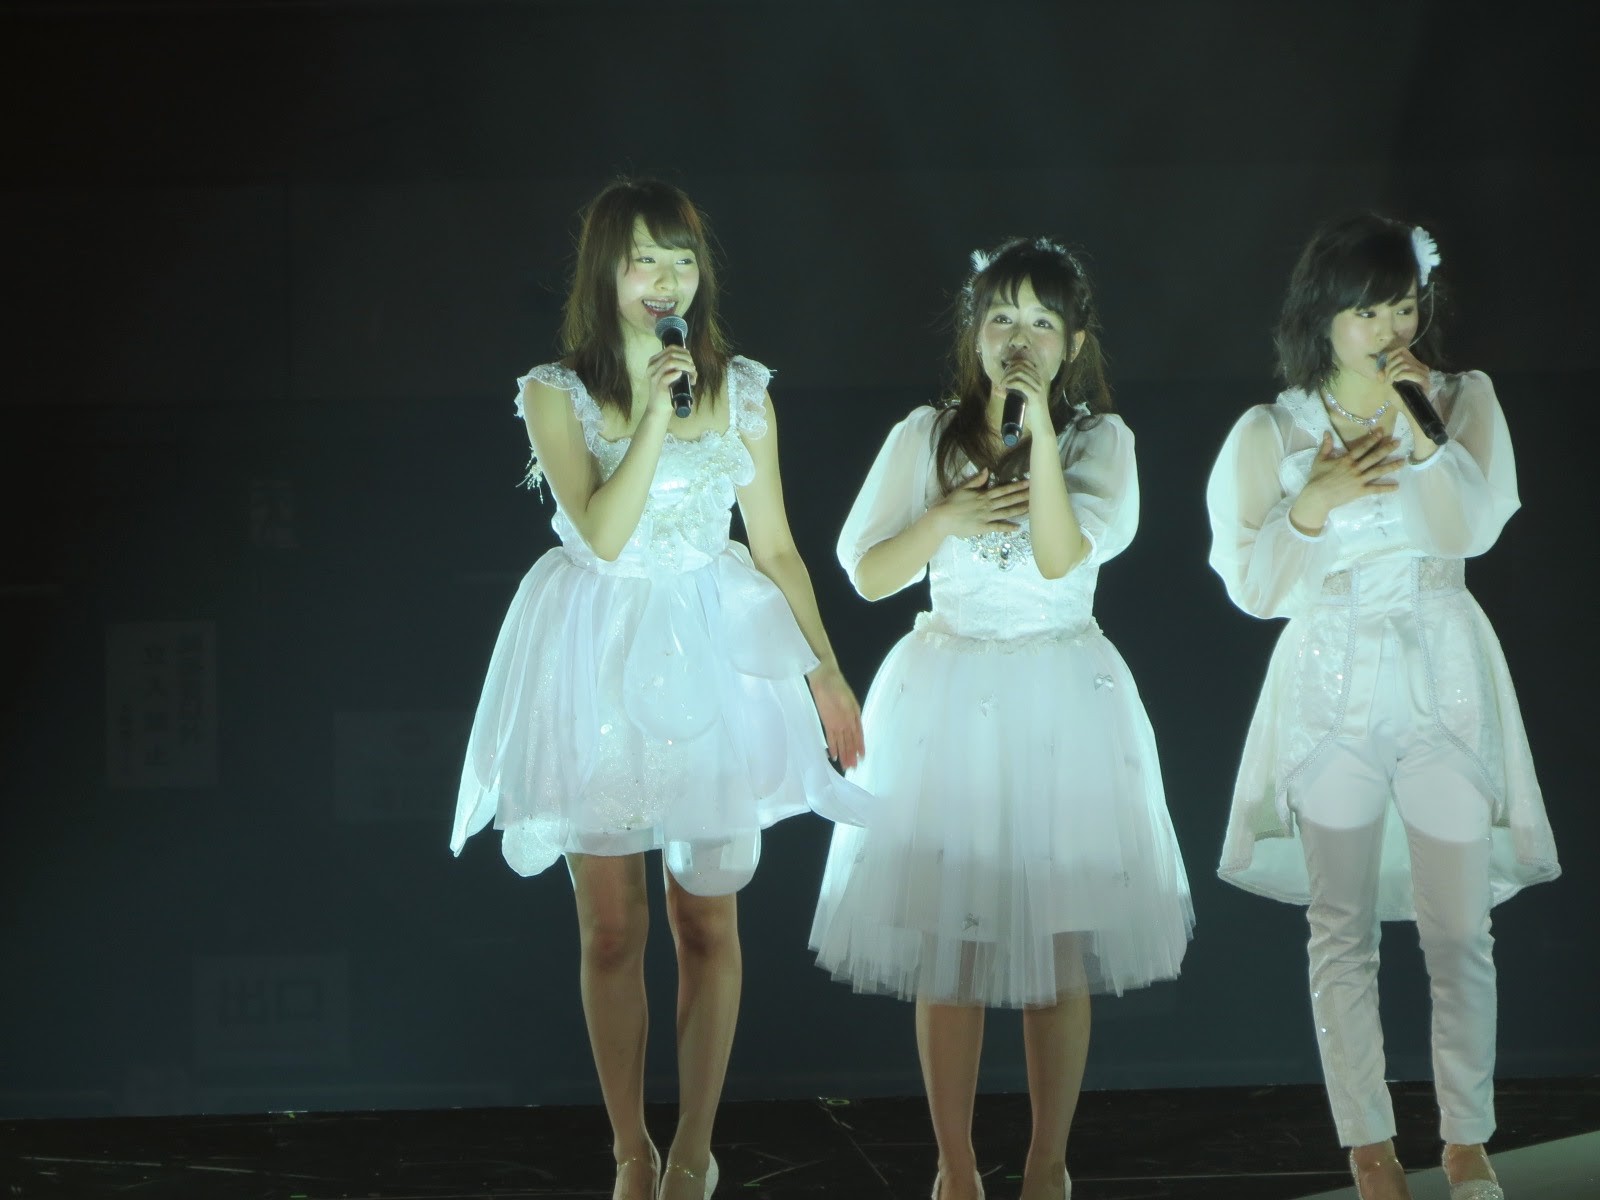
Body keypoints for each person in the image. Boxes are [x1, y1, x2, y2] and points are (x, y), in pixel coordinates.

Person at [450, 178, 869, 1200]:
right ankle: (629, 1150)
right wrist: (649, 413)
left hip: (713, 650)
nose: (665, 279)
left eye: (681, 260)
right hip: (596, 654)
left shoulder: (743, 390)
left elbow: (777, 545)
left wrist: (825, 671)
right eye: (644, 259)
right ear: (606, 270)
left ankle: (692, 1151)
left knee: (706, 920)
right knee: (611, 927)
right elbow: (599, 532)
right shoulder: (554, 393)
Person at [809, 237, 1194, 1200]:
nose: (1020, 339)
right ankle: (954, 1170)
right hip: (948, 699)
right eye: (1002, 319)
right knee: (954, 950)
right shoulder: (925, 436)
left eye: (1042, 323)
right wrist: (944, 518)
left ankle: (1047, 1167)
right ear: (975, 333)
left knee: (1055, 950)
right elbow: (868, 574)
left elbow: (1062, 556)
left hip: (1061, 699)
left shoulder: (1101, 443)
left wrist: (1039, 433)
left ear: (1073, 345)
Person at [1206, 213, 1561, 1200]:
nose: (1389, 327)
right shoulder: (1271, 431)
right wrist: (1311, 503)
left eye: (1402, 306)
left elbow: (1475, 527)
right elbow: (1252, 586)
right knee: (1340, 927)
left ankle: (1466, 1140)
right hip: (1329, 684)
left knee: (1459, 930)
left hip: (1442, 674)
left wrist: (1422, 421)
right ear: (1323, 316)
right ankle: (1368, 1146)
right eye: (1367, 311)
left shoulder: (1460, 398)